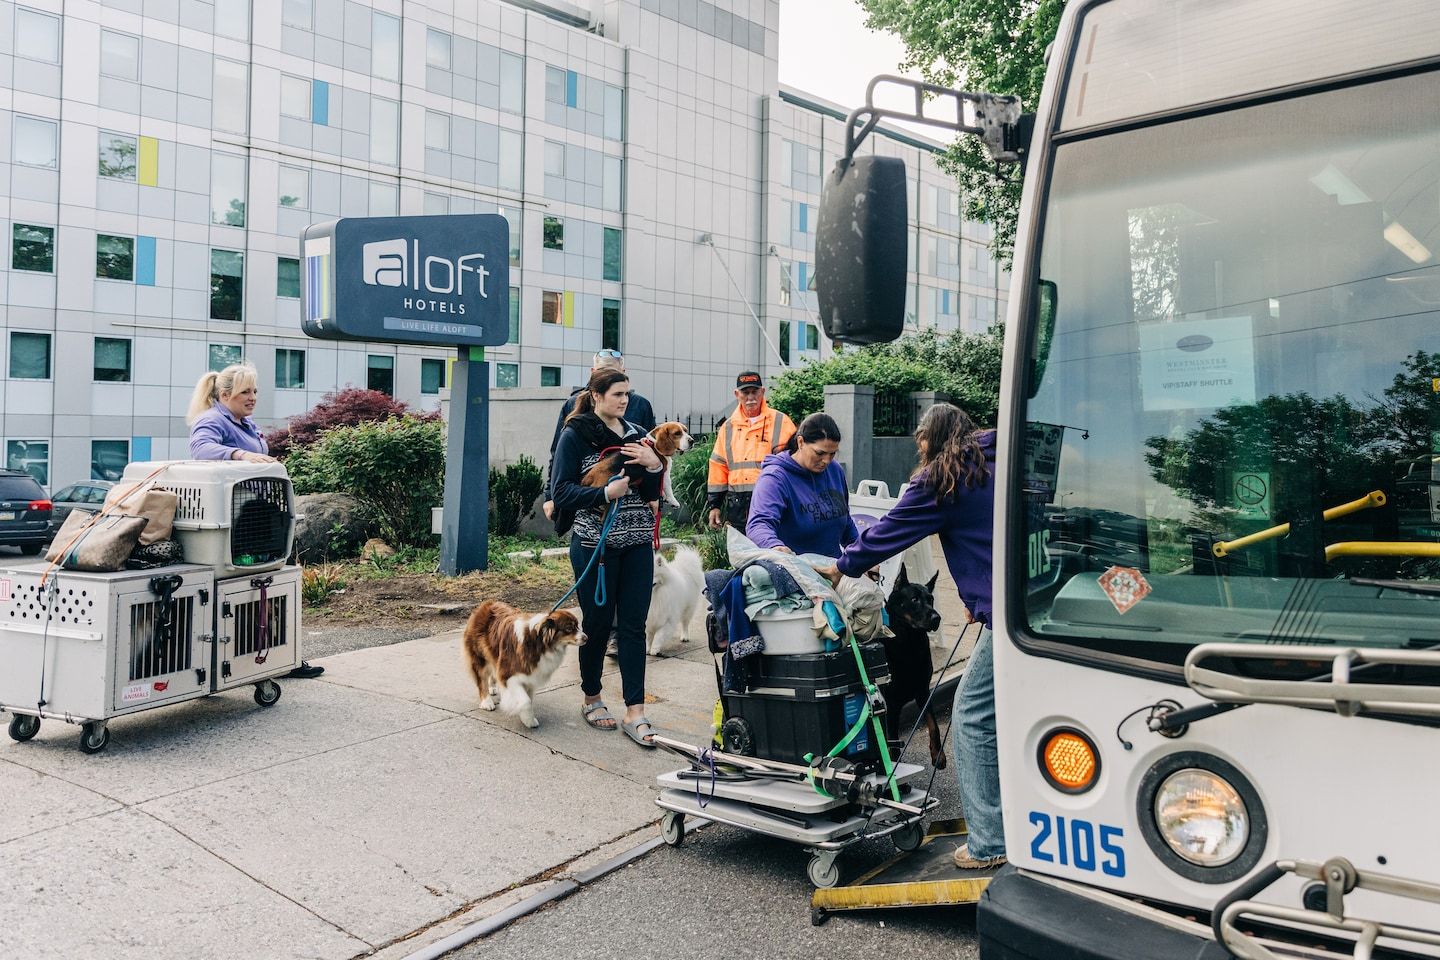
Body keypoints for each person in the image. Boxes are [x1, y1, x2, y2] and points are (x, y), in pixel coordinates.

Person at [815, 404, 1002, 870]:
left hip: (1005, 615)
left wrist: (841, 567)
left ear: (930, 440)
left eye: (920, 441)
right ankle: (1018, 815)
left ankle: (991, 843)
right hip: (1032, 600)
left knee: (975, 716)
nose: (919, 450)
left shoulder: (942, 479)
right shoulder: (1000, 457)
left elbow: (888, 532)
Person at [187, 363, 324, 681]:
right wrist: (239, 455)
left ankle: (280, 658)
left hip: (258, 518)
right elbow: (201, 449)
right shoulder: (211, 420)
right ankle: (267, 660)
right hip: (238, 523)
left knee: (266, 586)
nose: (252, 398)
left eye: (255, 391)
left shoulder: (244, 423)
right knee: (249, 588)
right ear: (224, 395)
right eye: (245, 391)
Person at [550, 368, 664, 747]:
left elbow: (649, 487)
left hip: (637, 543)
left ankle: (636, 711)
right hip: (594, 547)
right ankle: (592, 697)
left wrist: (655, 465)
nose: (624, 400)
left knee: (633, 626)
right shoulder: (575, 434)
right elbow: (562, 491)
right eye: (617, 394)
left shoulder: (634, 433)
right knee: (596, 626)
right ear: (596, 396)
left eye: (627, 394)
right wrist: (603, 495)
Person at [544, 350, 655, 522]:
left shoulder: (640, 409)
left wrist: (655, 470)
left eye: (614, 373)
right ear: (593, 374)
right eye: (603, 372)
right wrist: (549, 496)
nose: (623, 400)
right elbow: (558, 457)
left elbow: (652, 456)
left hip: (637, 524)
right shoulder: (573, 414)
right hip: (592, 524)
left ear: (623, 374)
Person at [745, 413, 858, 557]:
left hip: (833, 569)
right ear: (800, 442)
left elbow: (845, 521)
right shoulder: (775, 478)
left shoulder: (835, 470)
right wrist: (774, 546)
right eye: (820, 453)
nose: (826, 461)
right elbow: (758, 524)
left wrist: (862, 555)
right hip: (795, 570)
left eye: (832, 454)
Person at [706, 371, 796, 531]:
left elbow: (794, 462)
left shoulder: (781, 422)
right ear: (737, 394)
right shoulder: (727, 427)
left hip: (773, 500)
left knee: (771, 551)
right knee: (743, 554)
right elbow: (718, 466)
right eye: (745, 393)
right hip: (737, 507)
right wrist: (715, 505)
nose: (750, 397)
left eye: (754, 392)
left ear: (762, 391)